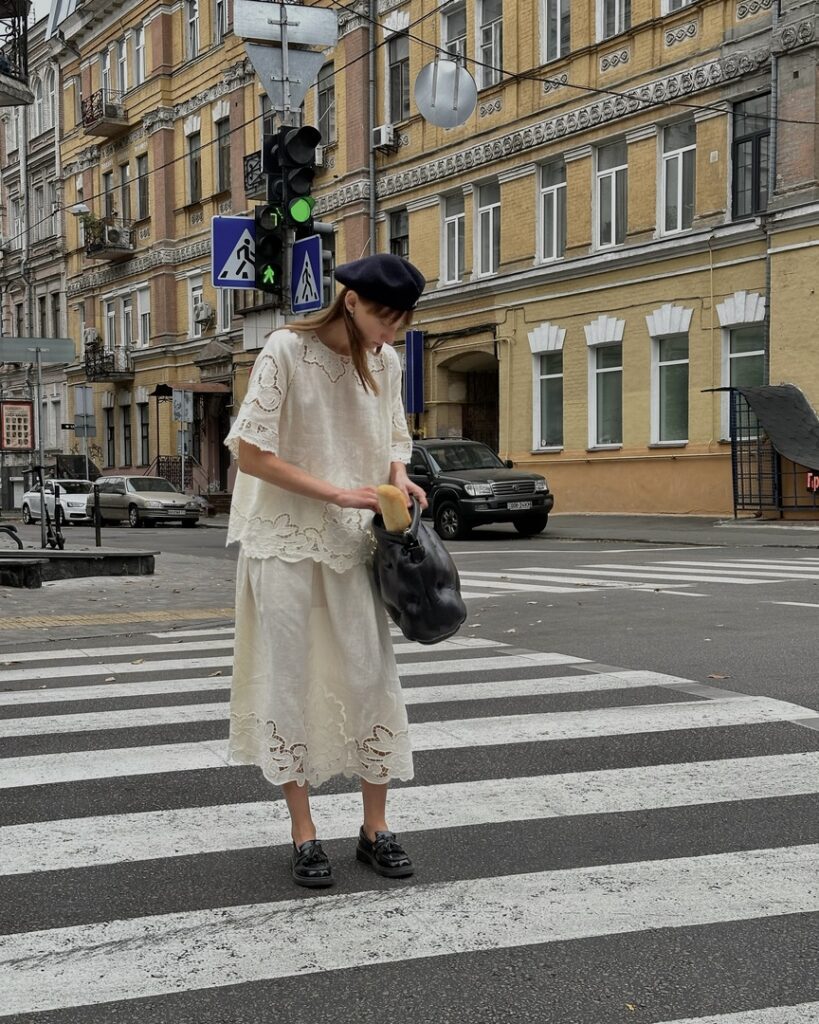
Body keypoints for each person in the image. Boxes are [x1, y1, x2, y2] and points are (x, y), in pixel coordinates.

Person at [225, 253, 429, 889]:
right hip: (284, 542)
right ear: (350, 302)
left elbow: (395, 438)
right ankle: (304, 833)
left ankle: (375, 828)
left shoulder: (387, 363)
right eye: (383, 318)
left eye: (401, 321)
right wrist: (340, 493)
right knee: (290, 678)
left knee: (370, 678)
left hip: (353, 546)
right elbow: (251, 455)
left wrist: (400, 477)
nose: (391, 333)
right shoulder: (285, 350)